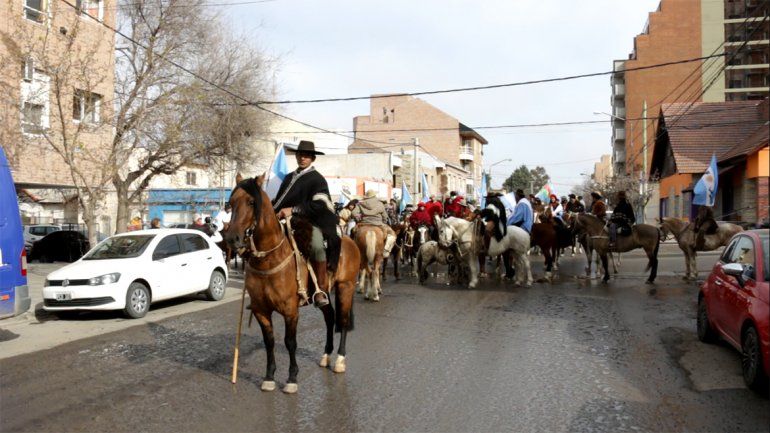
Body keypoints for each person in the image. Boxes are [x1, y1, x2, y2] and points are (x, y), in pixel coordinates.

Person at [272, 140, 340, 308]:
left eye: (307, 156)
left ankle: (320, 289)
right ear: (296, 156)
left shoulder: (317, 179)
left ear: (312, 159)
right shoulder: (289, 177)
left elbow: (320, 205)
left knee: (317, 245)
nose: (303, 158)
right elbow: (280, 201)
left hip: (309, 221)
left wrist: (293, 210)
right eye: (300, 155)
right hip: (286, 221)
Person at [353, 190, 397, 257]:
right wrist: (384, 221)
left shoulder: (360, 203)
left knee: (352, 232)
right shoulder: (380, 204)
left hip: (364, 223)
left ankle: (354, 250)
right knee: (392, 234)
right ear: (374, 196)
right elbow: (385, 216)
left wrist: (358, 218)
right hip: (378, 224)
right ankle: (386, 250)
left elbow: (354, 213)